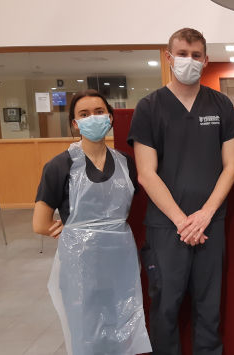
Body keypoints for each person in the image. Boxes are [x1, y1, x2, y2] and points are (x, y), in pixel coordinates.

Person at [127, 27, 234, 355]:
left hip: (210, 224)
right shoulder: (149, 107)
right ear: (168, 57)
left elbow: (231, 167)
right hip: (166, 227)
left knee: (209, 308)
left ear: (206, 60)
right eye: (182, 54)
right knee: (164, 309)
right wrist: (182, 222)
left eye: (195, 55)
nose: (188, 61)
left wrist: (204, 215)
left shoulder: (220, 104)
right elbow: (146, 175)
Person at [33, 89, 152, 355]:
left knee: (123, 325)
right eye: (84, 114)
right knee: (86, 332)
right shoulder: (59, 166)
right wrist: (75, 229)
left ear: (110, 118)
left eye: (99, 112)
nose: (93, 118)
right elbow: (39, 223)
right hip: (80, 264)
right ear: (75, 124)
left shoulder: (125, 164)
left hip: (120, 261)